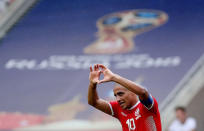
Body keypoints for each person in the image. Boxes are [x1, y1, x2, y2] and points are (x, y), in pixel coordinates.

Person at [88, 64, 162, 131]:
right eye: (115, 95)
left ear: (133, 92)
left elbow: (143, 92)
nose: (118, 99)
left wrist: (114, 77)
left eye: (121, 94)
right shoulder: (118, 108)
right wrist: (92, 84)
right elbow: (94, 102)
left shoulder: (147, 106)